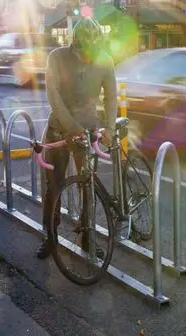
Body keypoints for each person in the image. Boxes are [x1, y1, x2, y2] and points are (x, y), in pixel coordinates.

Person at [36, 18, 118, 259]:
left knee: (88, 186)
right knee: (54, 186)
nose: (87, 58)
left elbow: (112, 97)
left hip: (89, 130)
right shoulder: (57, 58)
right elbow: (53, 95)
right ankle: (50, 237)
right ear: (74, 44)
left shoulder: (105, 61)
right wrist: (72, 127)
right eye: (83, 53)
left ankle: (87, 237)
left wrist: (110, 128)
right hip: (59, 129)